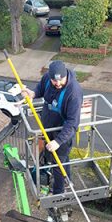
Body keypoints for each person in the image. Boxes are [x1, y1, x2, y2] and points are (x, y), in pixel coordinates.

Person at [22, 60, 83, 195]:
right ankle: (68, 180)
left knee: (57, 162)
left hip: (62, 133)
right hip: (48, 127)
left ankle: (58, 192)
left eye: (61, 80)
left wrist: (58, 141)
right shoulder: (47, 79)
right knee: (63, 158)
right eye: (55, 81)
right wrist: (33, 94)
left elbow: (72, 122)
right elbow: (41, 89)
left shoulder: (73, 93)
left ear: (65, 75)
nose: (58, 83)